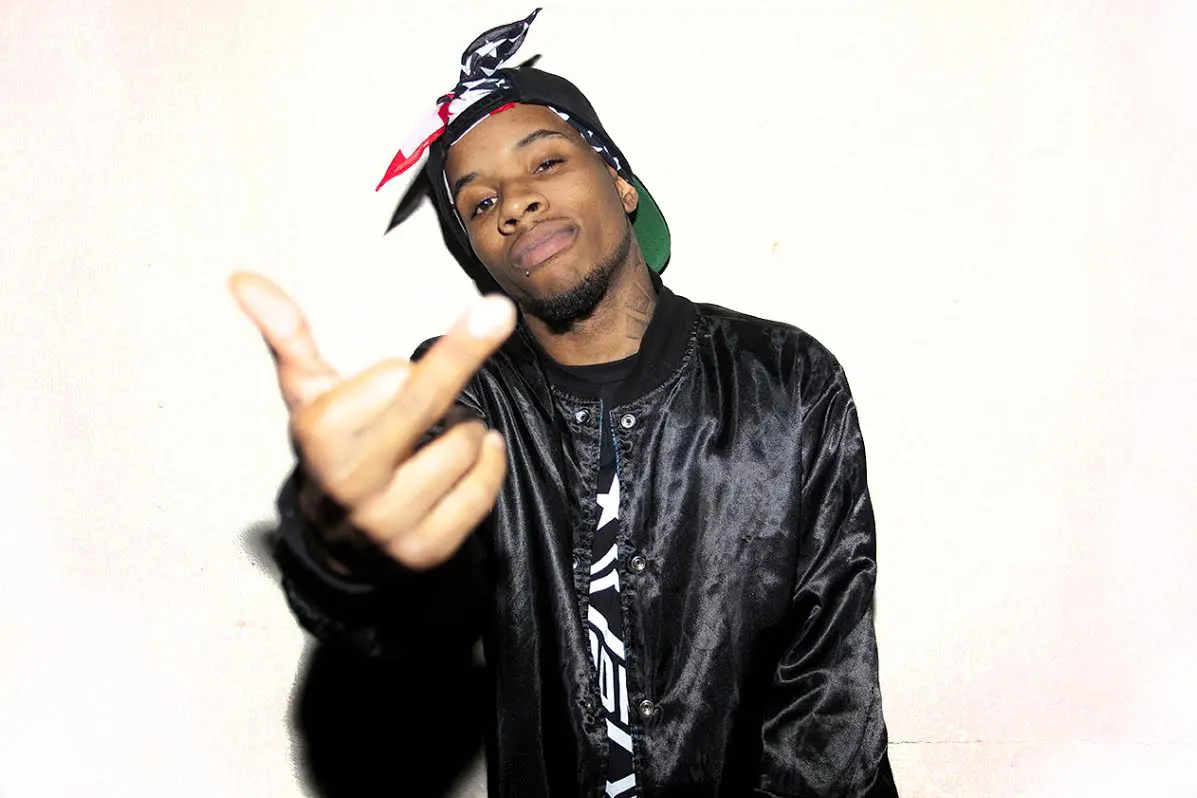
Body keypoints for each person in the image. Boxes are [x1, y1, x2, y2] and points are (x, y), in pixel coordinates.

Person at [230, 9, 899, 797]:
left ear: (619, 181)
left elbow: (826, 691)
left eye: (544, 162)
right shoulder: (464, 400)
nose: (514, 203)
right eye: (480, 204)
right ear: (477, 253)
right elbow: (414, 619)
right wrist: (346, 554)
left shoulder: (783, 378)